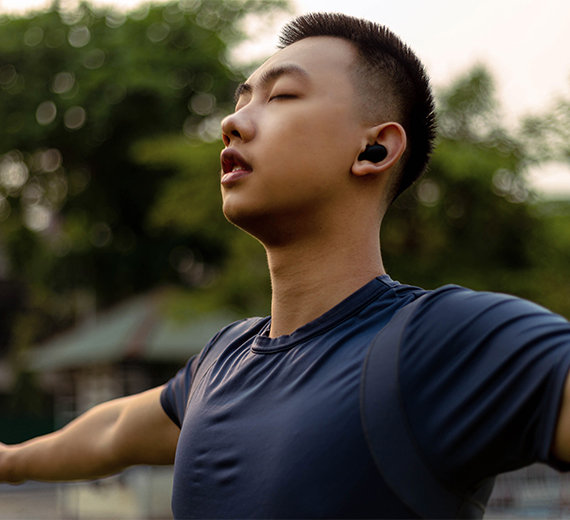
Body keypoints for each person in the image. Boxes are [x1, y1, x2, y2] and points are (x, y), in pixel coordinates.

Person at [1, 12, 570, 519]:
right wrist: (10, 462)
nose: (234, 121)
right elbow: (115, 431)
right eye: (241, 99)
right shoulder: (220, 362)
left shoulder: (439, 341)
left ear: (374, 149)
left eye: (281, 97)